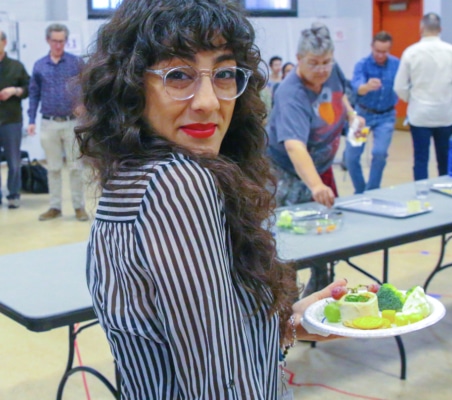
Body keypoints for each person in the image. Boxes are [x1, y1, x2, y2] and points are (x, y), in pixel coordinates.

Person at [76, 1, 345, 398]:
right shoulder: (178, 185)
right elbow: (219, 386)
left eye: (222, 74)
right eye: (179, 75)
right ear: (132, 85)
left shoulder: (134, 174)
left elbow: (194, 339)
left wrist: (285, 321)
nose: (208, 101)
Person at [267, 21, 363, 295]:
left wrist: (353, 116)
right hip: (287, 171)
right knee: (286, 236)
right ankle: (285, 298)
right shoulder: (290, 93)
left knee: (325, 231)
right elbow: (295, 147)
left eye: (327, 62)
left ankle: (320, 286)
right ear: (298, 59)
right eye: (314, 63)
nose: (322, 69)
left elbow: (339, 95)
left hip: (320, 165)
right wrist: (316, 186)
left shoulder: (331, 71)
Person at [393, 12, 452, 181]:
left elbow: (399, 86)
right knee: (444, 160)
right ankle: (445, 193)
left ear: (421, 28)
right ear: (440, 29)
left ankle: (421, 195)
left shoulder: (411, 52)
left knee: (421, 159)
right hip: (445, 114)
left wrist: (411, 99)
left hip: (419, 114)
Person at [27, 23, 89, 221]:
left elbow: (88, 86)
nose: (58, 45)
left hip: (72, 123)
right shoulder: (39, 65)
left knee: (75, 167)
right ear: (48, 41)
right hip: (48, 123)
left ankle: (79, 207)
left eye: (61, 41)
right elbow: (34, 94)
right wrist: (31, 120)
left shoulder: (75, 63)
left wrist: (83, 103)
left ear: (65, 41)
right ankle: (55, 207)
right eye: (54, 41)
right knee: (53, 168)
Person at [344, 31, 399, 194]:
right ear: (372, 48)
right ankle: (360, 190)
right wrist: (367, 86)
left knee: (379, 153)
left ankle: (373, 190)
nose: (381, 55)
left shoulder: (397, 64)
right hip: (363, 115)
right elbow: (357, 89)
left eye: (384, 51)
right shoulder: (362, 64)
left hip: (386, 116)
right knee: (351, 156)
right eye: (378, 51)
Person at [0, 31, 30, 209]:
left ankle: (13, 194)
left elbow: (28, 88)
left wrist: (14, 91)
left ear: (4, 42)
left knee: (13, 160)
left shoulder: (16, 66)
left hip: (11, 120)